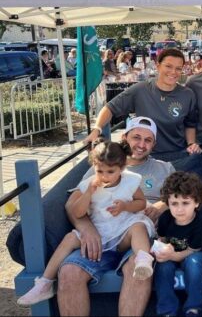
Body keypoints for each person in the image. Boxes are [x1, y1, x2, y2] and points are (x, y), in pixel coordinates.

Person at [58, 117, 174, 316]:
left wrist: (161, 204)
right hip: (100, 234)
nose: (141, 144)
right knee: (69, 272)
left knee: (139, 268)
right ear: (125, 137)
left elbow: (181, 195)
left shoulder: (165, 168)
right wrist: (87, 229)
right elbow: (72, 204)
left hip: (137, 236)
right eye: (136, 137)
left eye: (148, 140)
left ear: (154, 144)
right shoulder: (102, 164)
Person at [18, 139, 156, 306]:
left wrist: (126, 206)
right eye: (100, 171)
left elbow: (141, 203)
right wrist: (89, 193)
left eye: (110, 171)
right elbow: (77, 212)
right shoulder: (88, 185)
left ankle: (144, 259)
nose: (105, 176)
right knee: (70, 238)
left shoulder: (130, 181)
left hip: (123, 228)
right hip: (99, 231)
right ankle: (45, 282)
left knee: (139, 226)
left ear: (122, 167)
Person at [85, 48, 201, 162]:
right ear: (158, 66)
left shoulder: (187, 94)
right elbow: (110, 108)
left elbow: (190, 124)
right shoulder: (140, 89)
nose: (173, 72)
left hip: (177, 155)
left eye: (178, 68)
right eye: (168, 66)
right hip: (145, 156)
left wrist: (191, 143)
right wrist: (97, 129)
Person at [154, 171, 202, 317]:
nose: (179, 209)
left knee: (194, 263)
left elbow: (191, 251)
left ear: (196, 202)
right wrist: (161, 249)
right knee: (163, 266)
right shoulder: (165, 218)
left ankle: (193, 307)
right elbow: (162, 238)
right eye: (174, 203)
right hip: (171, 254)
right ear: (168, 203)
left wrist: (173, 255)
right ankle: (167, 309)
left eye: (185, 203)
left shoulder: (200, 224)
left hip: (191, 252)